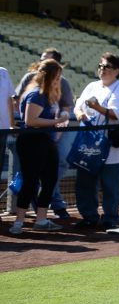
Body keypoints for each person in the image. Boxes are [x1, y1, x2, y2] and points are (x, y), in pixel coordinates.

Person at [73, 52, 119, 229]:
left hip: (108, 145)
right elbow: (78, 105)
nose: (102, 70)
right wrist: (80, 114)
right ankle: (89, 216)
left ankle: (111, 218)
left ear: (116, 70)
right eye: (100, 66)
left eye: (106, 67)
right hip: (89, 143)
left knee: (110, 185)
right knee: (84, 182)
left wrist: (97, 107)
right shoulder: (92, 86)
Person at [14, 49, 75, 221]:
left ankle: (41, 219)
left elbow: (53, 114)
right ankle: (19, 221)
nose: (58, 82)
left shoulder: (50, 93)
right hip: (33, 141)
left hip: (46, 140)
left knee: (48, 181)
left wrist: (60, 118)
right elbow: (31, 120)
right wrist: (56, 122)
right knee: (30, 181)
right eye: (56, 78)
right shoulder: (36, 93)